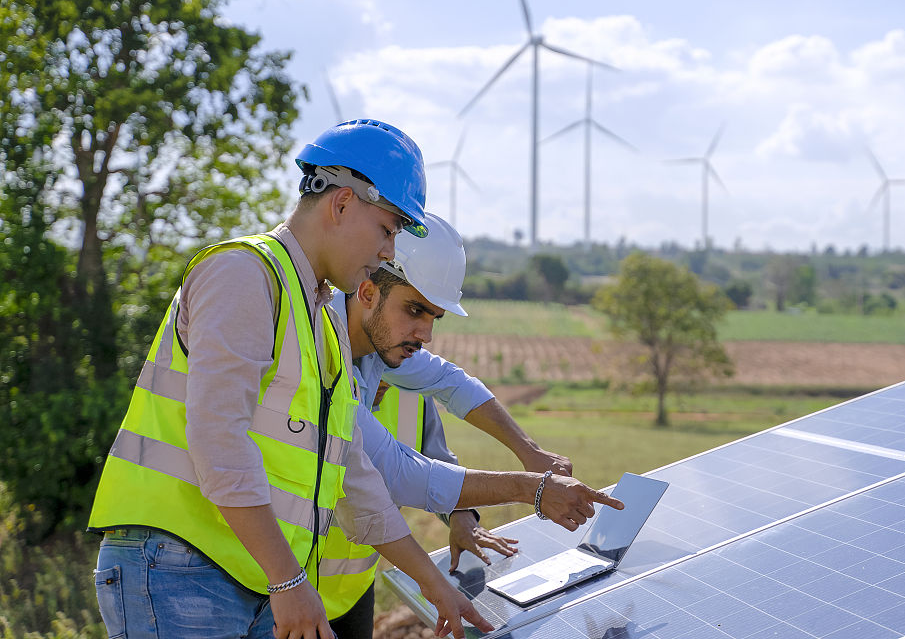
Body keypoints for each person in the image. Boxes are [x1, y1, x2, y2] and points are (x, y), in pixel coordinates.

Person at [87, 120, 613, 639]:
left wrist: (434, 584)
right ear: (341, 204)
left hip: (249, 574)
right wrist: (288, 579)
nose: (389, 251)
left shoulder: (321, 325)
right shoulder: (244, 274)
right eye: (388, 230)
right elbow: (218, 442)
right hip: (178, 566)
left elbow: (355, 476)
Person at [321, 213, 575, 637]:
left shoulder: (380, 349)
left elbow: (450, 383)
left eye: (434, 317)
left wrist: (529, 453)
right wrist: (531, 488)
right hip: (280, 585)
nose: (426, 334)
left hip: (350, 586)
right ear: (367, 292)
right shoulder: (321, 355)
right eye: (414, 309)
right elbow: (396, 472)